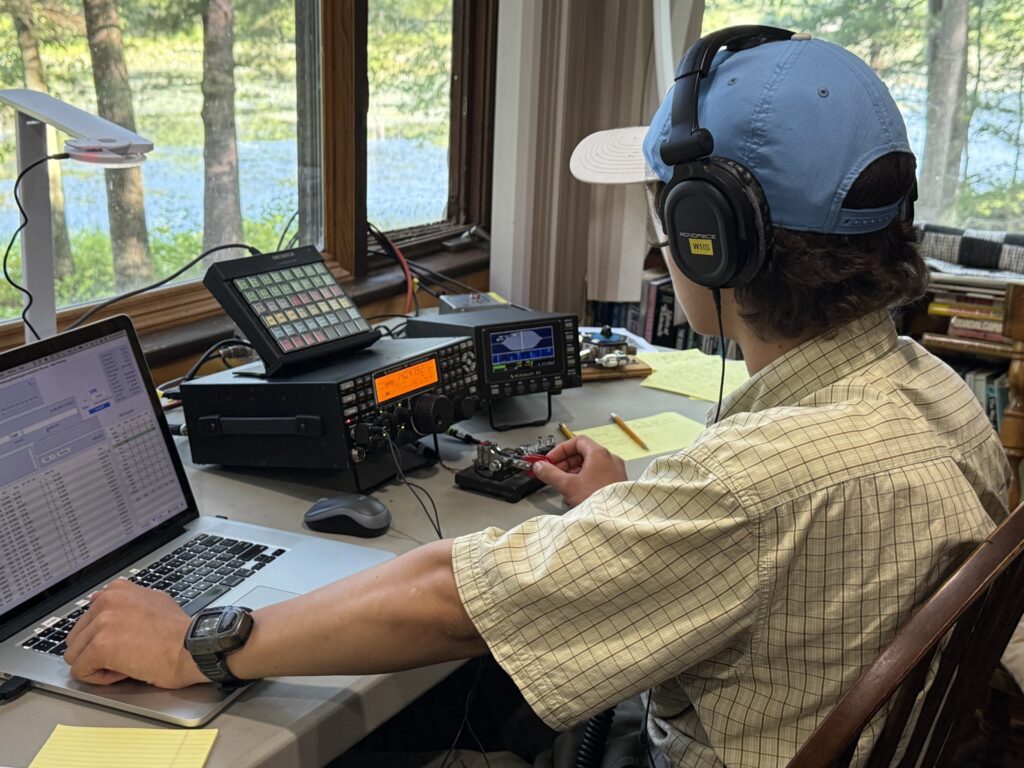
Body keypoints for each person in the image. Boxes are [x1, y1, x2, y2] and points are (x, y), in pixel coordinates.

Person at [64, 28, 1009, 768]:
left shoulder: (765, 480)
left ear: (707, 238)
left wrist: (197, 639)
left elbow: (450, 600)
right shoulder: (928, 389)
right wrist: (631, 507)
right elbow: (774, 544)